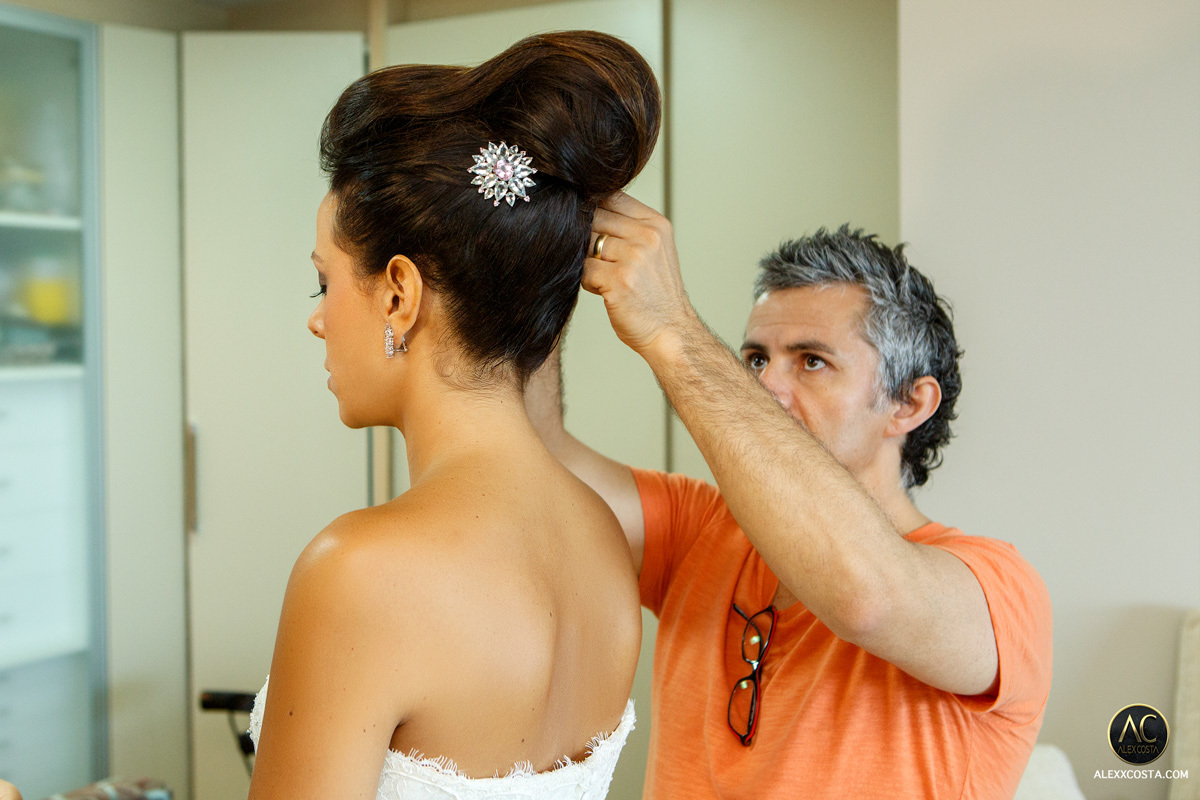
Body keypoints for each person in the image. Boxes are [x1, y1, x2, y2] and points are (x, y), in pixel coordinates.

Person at [246, 31, 660, 799]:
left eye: (324, 284)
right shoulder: (600, 539)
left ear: (399, 295)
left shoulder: (359, 571)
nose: (318, 320)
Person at [527, 205, 1054, 798]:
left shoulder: (1000, 589)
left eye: (811, 361)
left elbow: (865, 596)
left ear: (908, 404)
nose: (766, 386)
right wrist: (536, 283)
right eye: (756, 359)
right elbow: (536, 459)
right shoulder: (699, 529)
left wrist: (673, 329)